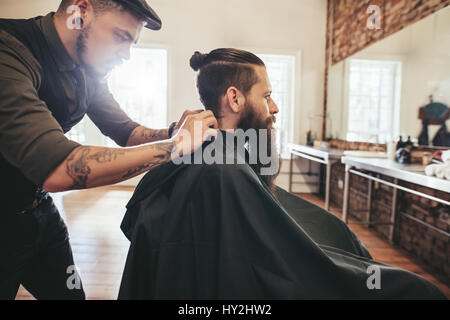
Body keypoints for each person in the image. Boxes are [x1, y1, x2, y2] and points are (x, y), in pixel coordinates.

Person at [118, 48, 446, 299]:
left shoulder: (213, 155)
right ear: (234, 97)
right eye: (267, 95)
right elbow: (267, 264)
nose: (274, 107)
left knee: (341, 237)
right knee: (418, 290)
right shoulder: (221, 168)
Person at [0, 0, 217, 300]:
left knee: (71, 296)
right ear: (79, 11)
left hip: (38, 212)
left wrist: (174, 131)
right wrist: (176, 145)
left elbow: (127, 132)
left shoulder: (86, 69)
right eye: (120, 36)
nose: (126, 55)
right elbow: (58, 168)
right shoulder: (9, 52)